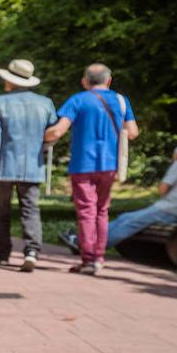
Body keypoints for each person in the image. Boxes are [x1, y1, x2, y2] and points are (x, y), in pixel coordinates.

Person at [44, 63, 139, 275]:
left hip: (82, 164)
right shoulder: (121, 101)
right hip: (109, 164)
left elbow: (58, 131)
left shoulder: (77, 100)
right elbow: (132, 132)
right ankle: (99, 258)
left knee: (87, 211)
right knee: (102, 211)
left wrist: (42, 137)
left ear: (84, 81)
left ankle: (88, 260)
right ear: (109, 80)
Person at [0, 58, 58, 271]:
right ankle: (32, 251)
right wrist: (41, 148)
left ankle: (2, 253)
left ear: (10, 82)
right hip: (33, 166)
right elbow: (54, 133)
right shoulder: (45, 103)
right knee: (31, 209)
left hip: (4, 166)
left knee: (2, 211)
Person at [60, 144, 177, 253]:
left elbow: (162, 189)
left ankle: (88, 246)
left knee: (129, 222)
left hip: (169, 208)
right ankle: (86, 238)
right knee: (125, 217)